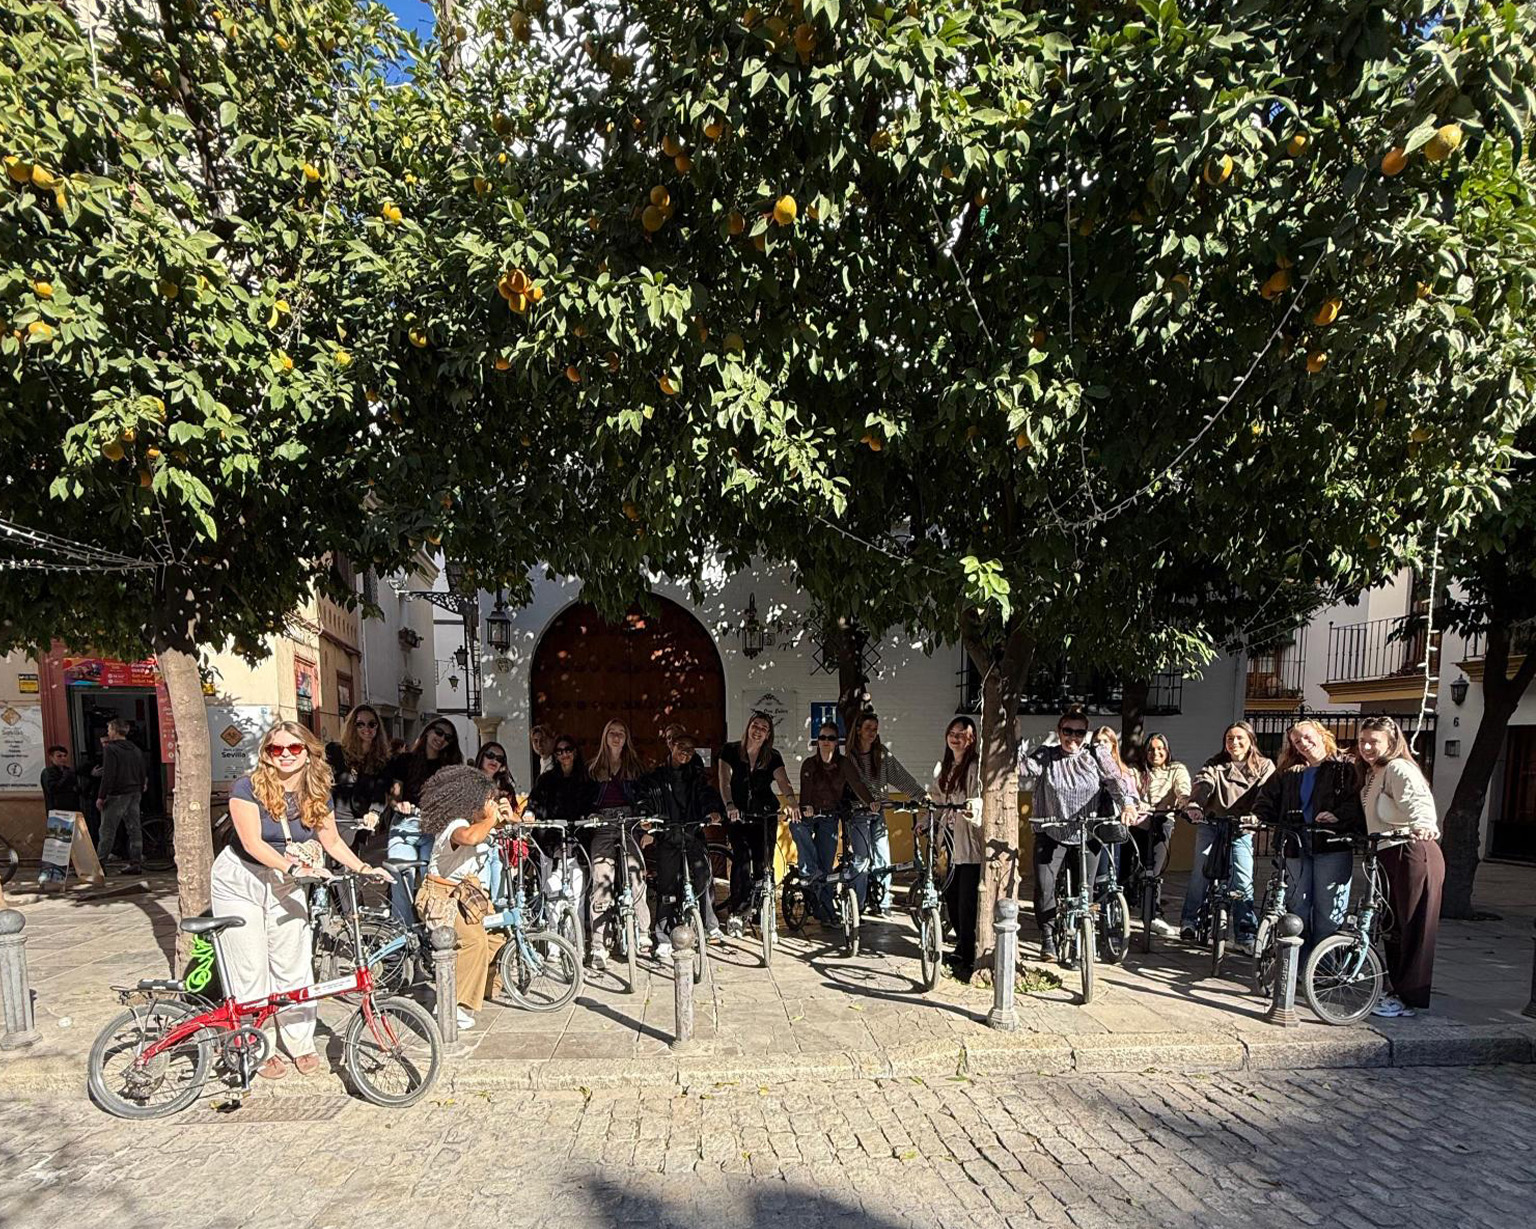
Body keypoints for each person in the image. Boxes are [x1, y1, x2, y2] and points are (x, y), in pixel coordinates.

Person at [212, 721, 390, 1079]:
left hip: (286, 879)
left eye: (295, 748)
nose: (287, 755)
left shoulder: (317, 791)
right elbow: (252, 843)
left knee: (292, 960)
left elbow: (333, 841)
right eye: (278, 749)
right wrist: (291, 868)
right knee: (249, 966)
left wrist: (362, 868)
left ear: (308, 753)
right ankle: (257, 1045)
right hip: (241, 879)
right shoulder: (246, 787)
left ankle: (300, 1042)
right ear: (267, 753)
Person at [1017, 705, 1136, 961]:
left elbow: (1115, 780)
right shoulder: (1047, 756)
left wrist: (1127, 804)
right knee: (1044, 886)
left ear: (1086, 734)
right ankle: (1047, 938)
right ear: (1059, 732)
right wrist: (1015, 739)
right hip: (1051, 830)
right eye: (1068, 731)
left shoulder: (1096, 754)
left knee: (1086, 890)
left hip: (1087, 832)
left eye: (1079, 733)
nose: (1073, 737)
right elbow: (1024, 769)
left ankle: (1083, 936)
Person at [415, 765, 515, 1031]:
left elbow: (493, 830)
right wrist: (491, 819)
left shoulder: (472, 823)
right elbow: (470, 838)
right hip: (442, 897)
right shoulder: (456, 825)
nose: (491, 804)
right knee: (474, 942)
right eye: (487, 800)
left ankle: (475, 987)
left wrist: (508, 817)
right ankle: (449, 1005)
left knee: (496, 936)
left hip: (463, 893)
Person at [1357, 716, 1443, 1018]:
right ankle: (1396, 989)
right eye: (1363, 740)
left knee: (1414, 927)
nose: (1367, 746)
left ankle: (1409, 998)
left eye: (1374, 741)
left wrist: (1424, 824)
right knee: (1393, 927)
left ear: (1391, 743)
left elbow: (1417, 799)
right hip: (1388, 853)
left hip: (1411, 850)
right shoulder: (1373, 772)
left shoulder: (1398, 767)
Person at [1253, 719, 1364, 948]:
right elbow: (1266, 800)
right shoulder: (1289, 771)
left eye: (1306, 736)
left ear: (1321, 734)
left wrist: (1338, 816)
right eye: (1296, 741)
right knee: (1297, 908)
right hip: (1295, 845)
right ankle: (1297, 966)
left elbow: (1357, 802)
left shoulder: (1345, 766)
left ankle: (1323, 969)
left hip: (1330, 844)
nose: (1303, 743)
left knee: (1328, 912)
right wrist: (1258, 816)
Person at [1179, 722, 1274, 953]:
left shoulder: (1264, 766)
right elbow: (1204, 783)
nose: (1234, 743)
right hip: (1211, 823)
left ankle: (1245, 933)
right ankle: (1189, 920)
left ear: (1251, 740)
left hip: (1241, 828)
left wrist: (1257, 815)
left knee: (1242, 880)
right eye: (1230, 738)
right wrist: (1195, 805)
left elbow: (1267, 792)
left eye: (1240, 738)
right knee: (1201, 869)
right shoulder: (1216, 763)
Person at [642, 731, 725, 956]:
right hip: (668, 837)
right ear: (671, 746)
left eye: (690, 749)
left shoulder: (695, 776)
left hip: (691, 834)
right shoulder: (657, 776)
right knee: (667, 887)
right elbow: (647, 799)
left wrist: (712, 812)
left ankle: (709, 926)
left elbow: (706, 795)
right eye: (681, 747)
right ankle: (663, 936)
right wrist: (648, 819)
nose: (685, 753)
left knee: (703, 878)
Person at [717, 711, 798, 936]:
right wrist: (730, 805)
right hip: (738, 814)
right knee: (742, 860)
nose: (758, 730)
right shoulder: (731, 751)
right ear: (748, 727)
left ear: (768, 734)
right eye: (755, 725)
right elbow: (724, 781)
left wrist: (791, 801)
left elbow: (783, 781)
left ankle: (763, 912)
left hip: (764, 815)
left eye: (763, 728)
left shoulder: (772, 756)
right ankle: (739, 913)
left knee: (764, 865)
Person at [586, 719, 652, 970]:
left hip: (630, 821)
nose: (616, 737)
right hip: (603, 823)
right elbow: (586, 799)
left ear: (626, 738)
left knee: (636, 876)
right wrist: (591, 814)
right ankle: (599, 944)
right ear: (605, 737)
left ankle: (643, 932)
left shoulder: (635, 766)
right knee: (601, 879)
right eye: (612, 733)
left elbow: (645, 797)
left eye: (621, 733)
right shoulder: (593, 768)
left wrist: (646, 822)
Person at [384, 720, 464, 924]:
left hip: (432, 830)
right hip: (404, 827)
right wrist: (399, 805)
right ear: (428, 732)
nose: (441, 739)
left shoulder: (449, 768)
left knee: (433, 881)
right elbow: (394, 796)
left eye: (448, 737)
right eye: (438, 732)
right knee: (402, 880)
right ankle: (402, 934)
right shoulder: (405, 761)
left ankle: (434, 931)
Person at [846, 710, 923, 915]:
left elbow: (900, 776)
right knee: (861, 860)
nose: (872, 732)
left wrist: (920, 796)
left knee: (883, 857)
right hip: (858, 813)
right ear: (859, 730)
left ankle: (883, 900)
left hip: (878, 812)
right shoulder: (849, 756)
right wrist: (869, 801)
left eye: (875, 729)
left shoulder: (880, 754)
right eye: (868, 728)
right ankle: (858, 906)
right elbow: (856, 784)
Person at [796, 722, 873, 923]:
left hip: (830, 817)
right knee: (796, 827)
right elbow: (805, 793)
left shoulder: (844, 764)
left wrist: (871, 802)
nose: (826, 742)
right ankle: (810, 870)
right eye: (822, 738)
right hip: (811, 815)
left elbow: (857, 784)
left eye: (830, 738)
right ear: (817, 741)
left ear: (836, 742)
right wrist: (807, 809)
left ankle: (826, 912)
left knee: (827, 867)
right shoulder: (809, 764)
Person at [932, 717, 983, 980]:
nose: (955, 738)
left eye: (961, 735)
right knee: (949, 894)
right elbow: (936, 799)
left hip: (968, 843)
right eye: (951, 733)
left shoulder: (975, 766)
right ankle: (959, 946)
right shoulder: (945, 766)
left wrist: (971, 808)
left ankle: (968, 951)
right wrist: (923, 821)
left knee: (966, 899)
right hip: (947, 841)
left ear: (971, 739)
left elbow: (978, 798)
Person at [1133, 732, 1191, 939]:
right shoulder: (1137, 771)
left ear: (1167, 750)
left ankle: (1153, 913)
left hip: (1163, 819)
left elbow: (1183, 789)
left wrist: (1186, 803)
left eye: (1160, 749)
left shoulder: (1176, 769)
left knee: (1154, 870)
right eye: (1151, 749)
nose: (1155, 753)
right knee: (1135, 867)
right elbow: (1129, 790)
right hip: (1138, 822)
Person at [325, 706, 391, 855]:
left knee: (356, 868)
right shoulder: (335, 752)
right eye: (360, 724)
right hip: (337, 820)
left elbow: (381, 791)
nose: (366, 729)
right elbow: (325, 782)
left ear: (377, 727)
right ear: (352, 727)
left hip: (361, 823)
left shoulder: (382, 760)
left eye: (371, 724)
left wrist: (374, 812)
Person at [95, 719, 147, 875]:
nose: (108, 732)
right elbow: (143, 770)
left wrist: (101, 796)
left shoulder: (111, 749)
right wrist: (141, 785)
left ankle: (100, 864)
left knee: (107, 830)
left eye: (109, 729)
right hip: (134, 792)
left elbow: (109, 774)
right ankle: (136, 862)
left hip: (117, 793)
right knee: (134, 828)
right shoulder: (135, 749)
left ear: (115, 731)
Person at [472, 741, 520, 903]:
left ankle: (498, 928)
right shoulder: (470, 783)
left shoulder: (506, 789)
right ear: (481, 756)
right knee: (481, 892)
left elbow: (516, 821)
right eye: (490, 755)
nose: (494, 761)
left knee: (501, 896)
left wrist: (510, 816)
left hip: (500, 844)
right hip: (478, 842)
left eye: (499, 759)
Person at [40, 745, 82, 814]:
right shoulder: (48, 772)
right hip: (57, 810)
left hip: (72, 808)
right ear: (51, 757)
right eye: (59, 756)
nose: (63, 758)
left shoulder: (69, 770)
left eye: (65, 756)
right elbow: (52, 789)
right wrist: (64, 777)